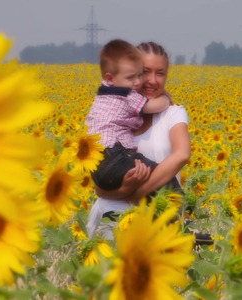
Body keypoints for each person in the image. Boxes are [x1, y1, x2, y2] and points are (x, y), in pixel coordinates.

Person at [86, 41, 212, 246]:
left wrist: (137, 193)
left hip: (158, 220)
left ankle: (183, 224)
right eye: (145, 72)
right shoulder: (120, 113)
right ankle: (185, 225)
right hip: (115, 216)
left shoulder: (173, 113)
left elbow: (182, 155)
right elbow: (98, 185)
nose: (152, 80)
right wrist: (124, 188)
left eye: (160, 73)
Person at [85, 39, 182, 194]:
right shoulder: (127, 95)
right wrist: (165, 97)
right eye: (142, 73)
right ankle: (185, 213)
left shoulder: (104, 93)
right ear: (111, 77)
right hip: (114, 155)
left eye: (160, 73)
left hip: (96, 162)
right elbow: (156, 106)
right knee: (162, 178)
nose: (137, 82)